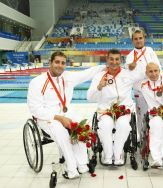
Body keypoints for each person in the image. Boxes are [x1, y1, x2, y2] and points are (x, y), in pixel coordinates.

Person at [27, 51, 105, 179]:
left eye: (63, 63)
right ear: (50, 63)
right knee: (62, 132)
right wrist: (59, 118)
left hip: (66, 112)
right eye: (57, 62)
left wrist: (104, 67)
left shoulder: (68, 77)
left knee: (83, 127)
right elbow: (35, 109)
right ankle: (71, 168)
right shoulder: (37, 82)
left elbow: (87, 74)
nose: (60, 65)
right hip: (47, 117)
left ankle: (82, 163)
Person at [87, 49, 141, 165]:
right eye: (111, 59)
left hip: (123, 109)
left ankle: (118, 154)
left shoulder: (128, 74)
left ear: (120, 61)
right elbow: (89, 97)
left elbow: (146, 74)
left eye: (117, 59)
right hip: (105, 109)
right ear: (107, 60)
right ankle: (108, 154)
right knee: (105, 125)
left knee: (123, 125)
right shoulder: (99, 76)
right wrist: (99, 87)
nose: (114, 62)